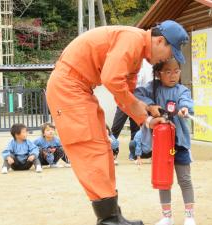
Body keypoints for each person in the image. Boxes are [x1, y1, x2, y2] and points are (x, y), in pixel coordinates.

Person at [46, 20, 189, 225]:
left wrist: (147, 117)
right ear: (159, 41)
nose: (168, 59)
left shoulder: (136, 55)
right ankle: (109, 220)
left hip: (79, 89)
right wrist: (141, 110)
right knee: (92, 148)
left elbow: (125, 96)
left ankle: (113, 216)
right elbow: (112, 79)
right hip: (69, 88)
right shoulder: (132, 40)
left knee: (103, 148)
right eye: (170, 52)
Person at [135, 58, 196, 225]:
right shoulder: (152, 88)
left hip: (179, 144)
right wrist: (150, 105)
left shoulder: (182, 90)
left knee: (184, 179)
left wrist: (184, 108)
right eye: (167, 72)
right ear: (158, 74)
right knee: (163, 180)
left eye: (176, 71)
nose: (173, 75)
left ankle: (189, 216)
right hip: (162, 145)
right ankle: (167, 216)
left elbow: (186, 101)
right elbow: (137, 94)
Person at [111, 59, 153, 160]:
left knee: (135, 129)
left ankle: (133, 153)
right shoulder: (124, 70)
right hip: (124, 102)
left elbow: (144, 87)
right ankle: (111, 150)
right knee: (116, 127)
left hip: (136, 103)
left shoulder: (142, 71)